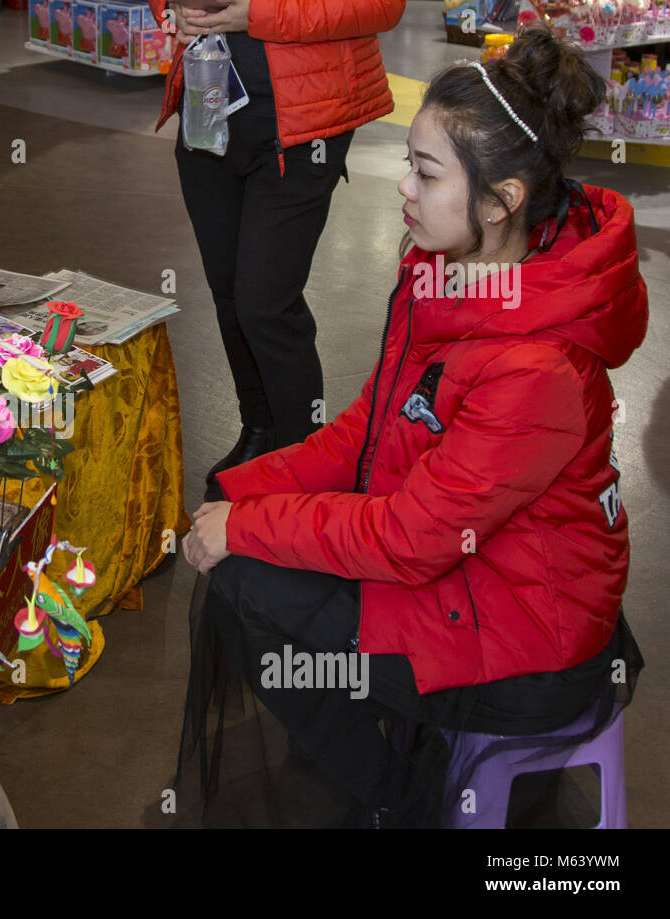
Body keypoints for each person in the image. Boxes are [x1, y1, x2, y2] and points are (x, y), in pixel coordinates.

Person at [177, 29, 647, 827]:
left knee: (246, 585)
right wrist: (242, 492)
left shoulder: (536, 371)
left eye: (426, 173)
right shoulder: (452, 267)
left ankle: (397, 796)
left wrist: (248, 528)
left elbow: (412, 537)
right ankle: (383, 763)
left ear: (501, 201)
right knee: (240, 540)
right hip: (479, 568)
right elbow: (365, 434)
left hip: (526, 631)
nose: (402, 188)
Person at [150, 0, 404, 495]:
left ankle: (301, 458)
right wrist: (173, 10)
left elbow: (382, 7)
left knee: (266, 304)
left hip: (304, 126)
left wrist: (259, 15)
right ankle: (260, 429)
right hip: (207, 103)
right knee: (227, 291)